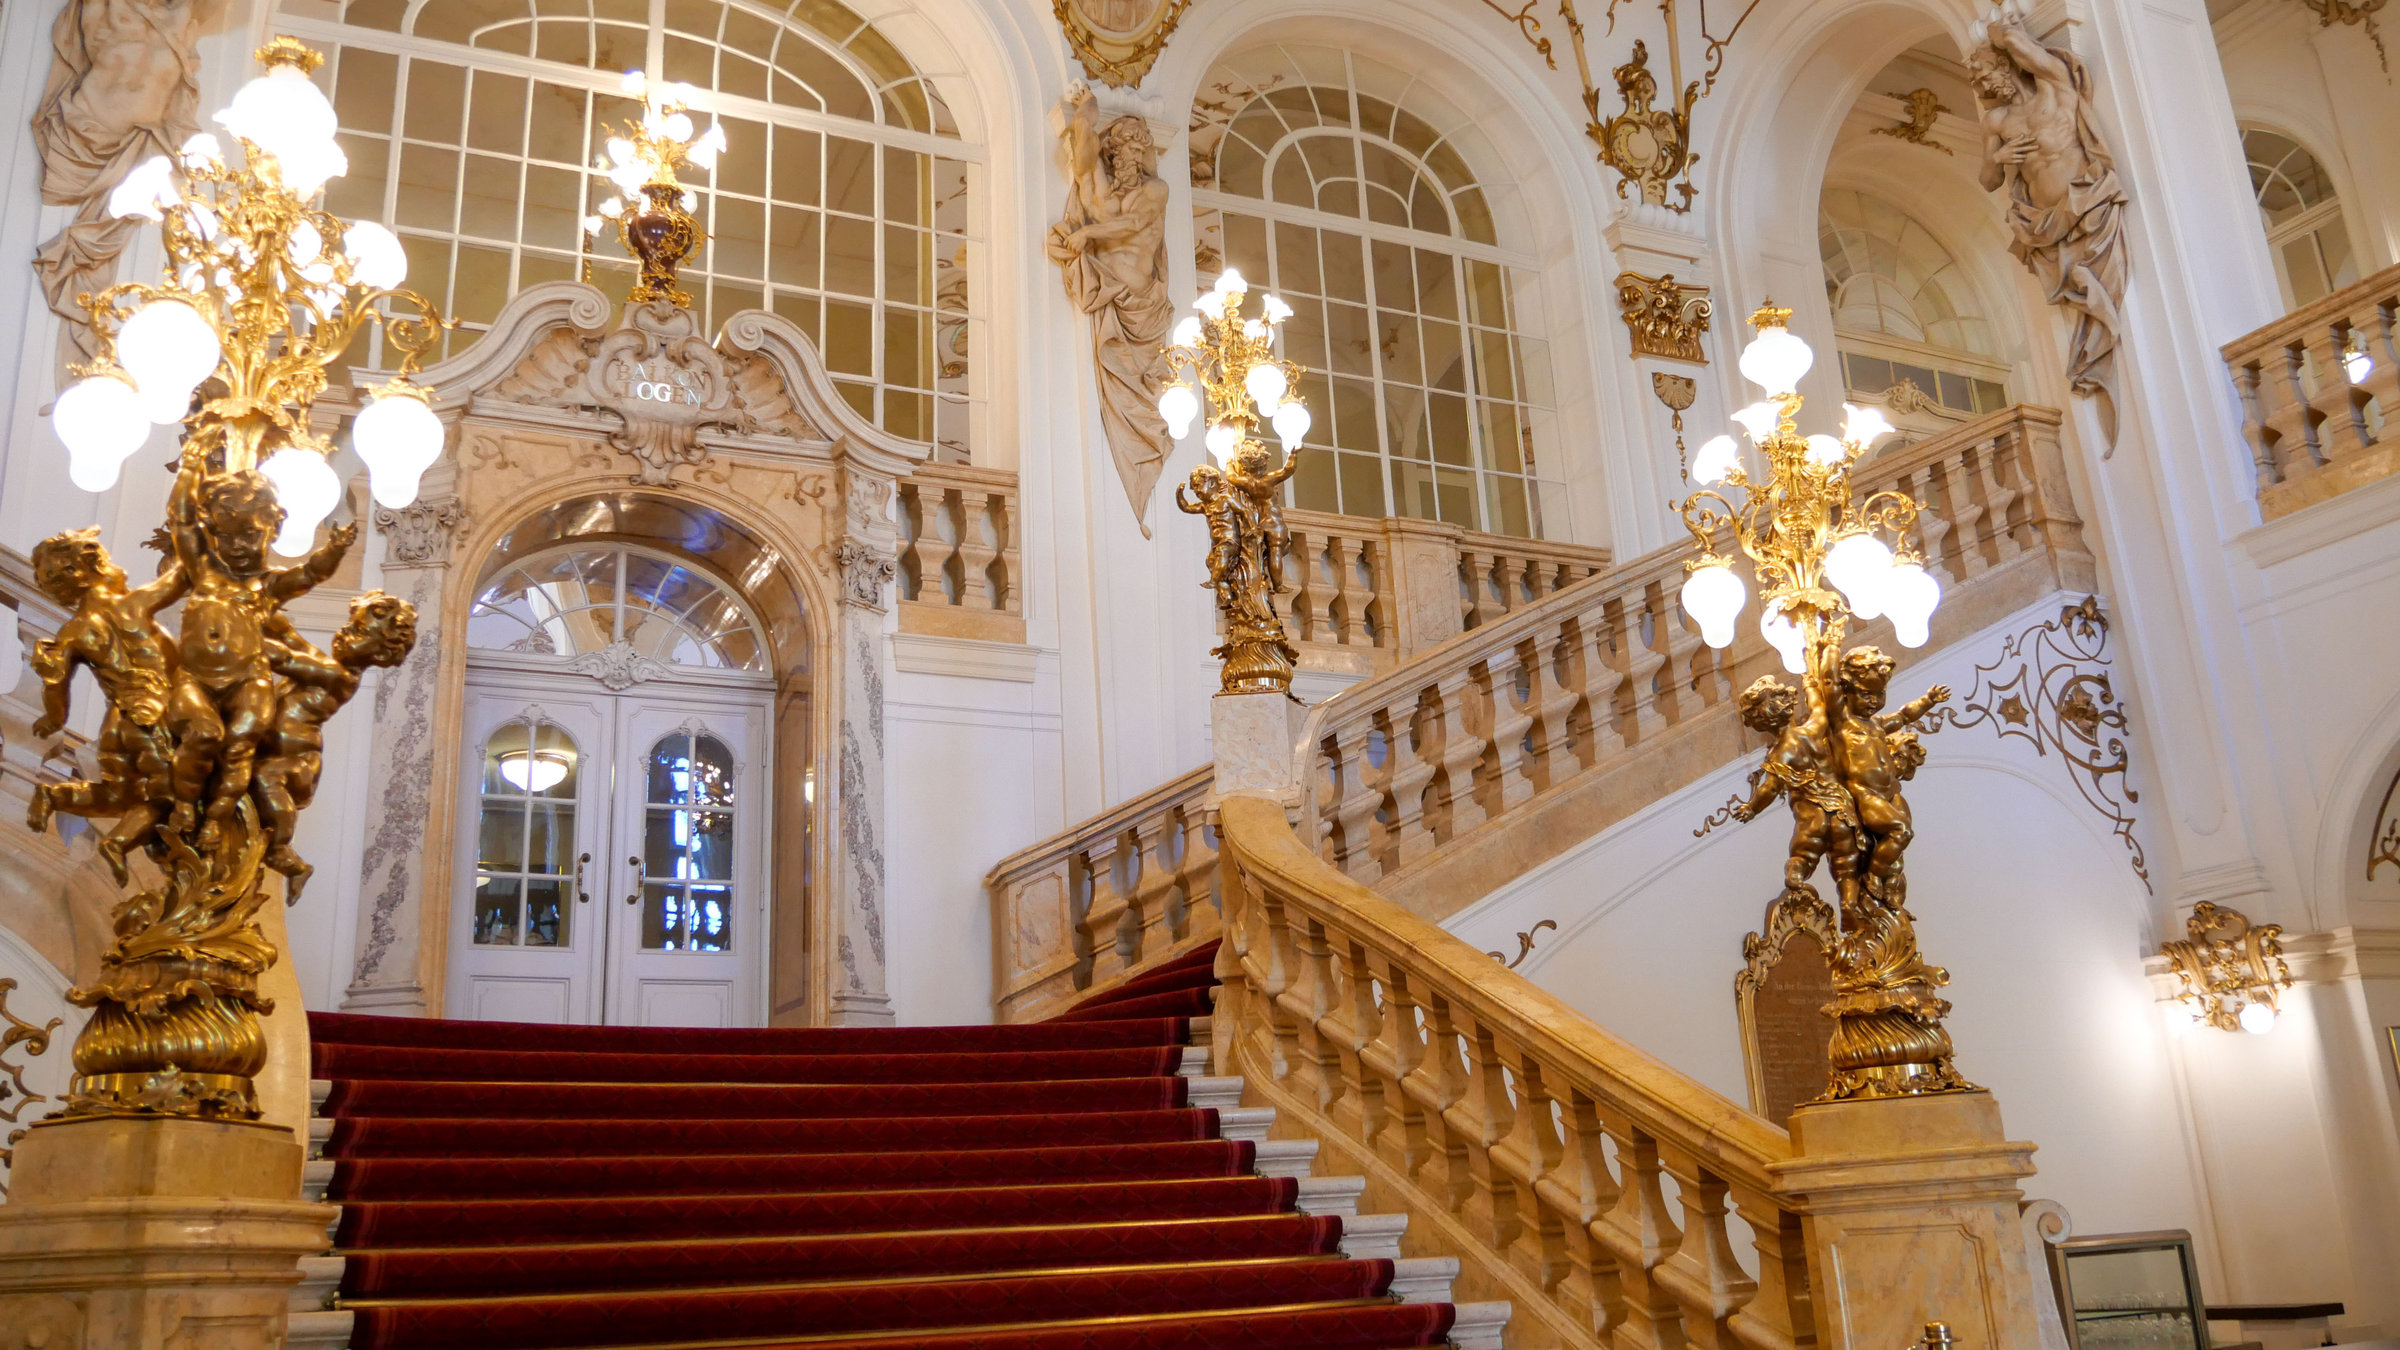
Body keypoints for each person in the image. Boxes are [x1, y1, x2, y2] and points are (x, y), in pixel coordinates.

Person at [24, 526, 185, 882]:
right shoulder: (132, 604)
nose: (118, 567)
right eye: (107, 561)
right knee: (170, 794)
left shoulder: (73, 632)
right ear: (90, 568)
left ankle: (57, 796)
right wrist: (191, 542)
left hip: (117, 724)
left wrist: (53, 720)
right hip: (152, 715)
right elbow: (181, 579)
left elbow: (56, 687)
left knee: (120, 794)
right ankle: (118, 843)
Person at [253, 592, 416, 902]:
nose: (344, 634)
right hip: (275, 750)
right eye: (347, 626)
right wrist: (265, 609)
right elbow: (288, 635)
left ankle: (290, 861)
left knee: (268, 789)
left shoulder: (337, 675)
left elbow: (282, 657)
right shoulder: (324, 663)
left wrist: (239, 628)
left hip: (296, 760)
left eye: (357, 633)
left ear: (379, 655)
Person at [1731, 675, 1862, 910]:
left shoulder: (1780, 754)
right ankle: (1849, 903)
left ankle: (1797, 873)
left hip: (1812, 816)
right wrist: (1811, 686)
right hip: (1842, 810)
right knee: (1846, 866)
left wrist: (1751, 808)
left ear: (1761, 723)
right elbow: (1820, 708)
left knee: (1802, 854)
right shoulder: (1813, 730)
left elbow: (1770, 788)